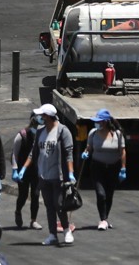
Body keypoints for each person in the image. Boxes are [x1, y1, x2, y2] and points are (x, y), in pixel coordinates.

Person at [17, 104, 75, 246]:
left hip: (58, 176)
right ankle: (52, 234)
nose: (40, 118)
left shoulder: (62, 131)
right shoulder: (40, 132)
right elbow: (33, 153)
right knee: (49, 206)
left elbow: (68, 155)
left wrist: (71, 173)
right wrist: (23, 168)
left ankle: (66, 230)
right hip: (43, 176)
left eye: (42, 115)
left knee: (59, 204)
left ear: (48, 116)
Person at [81, 109, 126, 231]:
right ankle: (103, 219)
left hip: (113, 168)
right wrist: (85, 153)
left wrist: (123, 168)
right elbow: (89, 148)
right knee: (101, 194)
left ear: (105, 122)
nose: (97, 123)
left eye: (99, 121)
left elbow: (122, 152)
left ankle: (105, 218)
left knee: (109, 194)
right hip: (97, 167)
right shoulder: (93, 133)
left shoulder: (118, 134)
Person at [11, 117, 41, 230]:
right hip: (22, 171)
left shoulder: (40, 135)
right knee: (23, 195)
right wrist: (15, 169)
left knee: (36, 195)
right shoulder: (22, 135)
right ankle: (18, 211)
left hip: (36, 170)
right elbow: (14, 153)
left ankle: (33, 220)